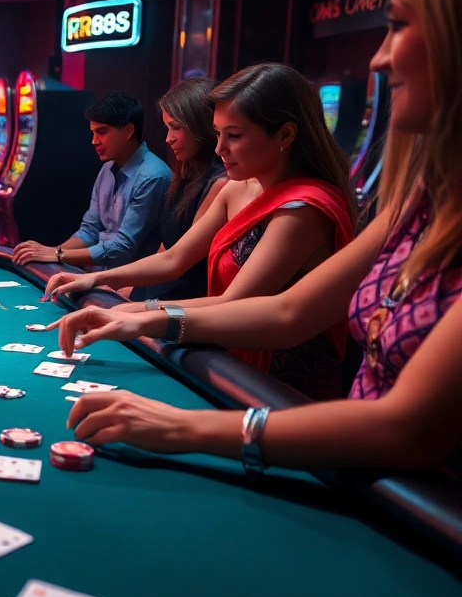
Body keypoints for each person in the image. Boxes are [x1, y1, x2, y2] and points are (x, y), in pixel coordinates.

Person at [51, 0, 462, 477]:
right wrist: (133, 309)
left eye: (397, 25)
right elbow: (290, 309)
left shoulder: (305, 206)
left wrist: (184, 424)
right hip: (355, 478)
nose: (379, 56)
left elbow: (403, 429)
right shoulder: (420, 198)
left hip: (414, 514)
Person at [45, 64, 357, 399]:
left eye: (234, 136)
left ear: (285, 135)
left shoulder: (303, 209)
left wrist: (137, 313)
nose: (219, 148)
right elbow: (174, 258)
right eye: (218, 133)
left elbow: (232, 304)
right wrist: (94, 279)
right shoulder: (239, 187)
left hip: (278, 392)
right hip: (227, 360)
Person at [13, 93, 171, 272]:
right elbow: (90, 230)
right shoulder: (106, 169)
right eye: (93, 133)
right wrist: (52, 252)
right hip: (100, 276)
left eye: (102, 132)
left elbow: (122, 247)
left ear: (128, 131)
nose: (94, 141)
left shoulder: (152, 175)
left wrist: (58, 254)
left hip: (133, 284)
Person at [154, 78, 228, 300]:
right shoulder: (185, 173)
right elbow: (164, 250)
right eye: (167, 128)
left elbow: (179, 263)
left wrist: (103, 279)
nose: (168, 138)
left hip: (183, 302)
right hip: (160, 290)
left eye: (176, 127)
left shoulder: (221, 182)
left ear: (202, 124)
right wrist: (127, 289)